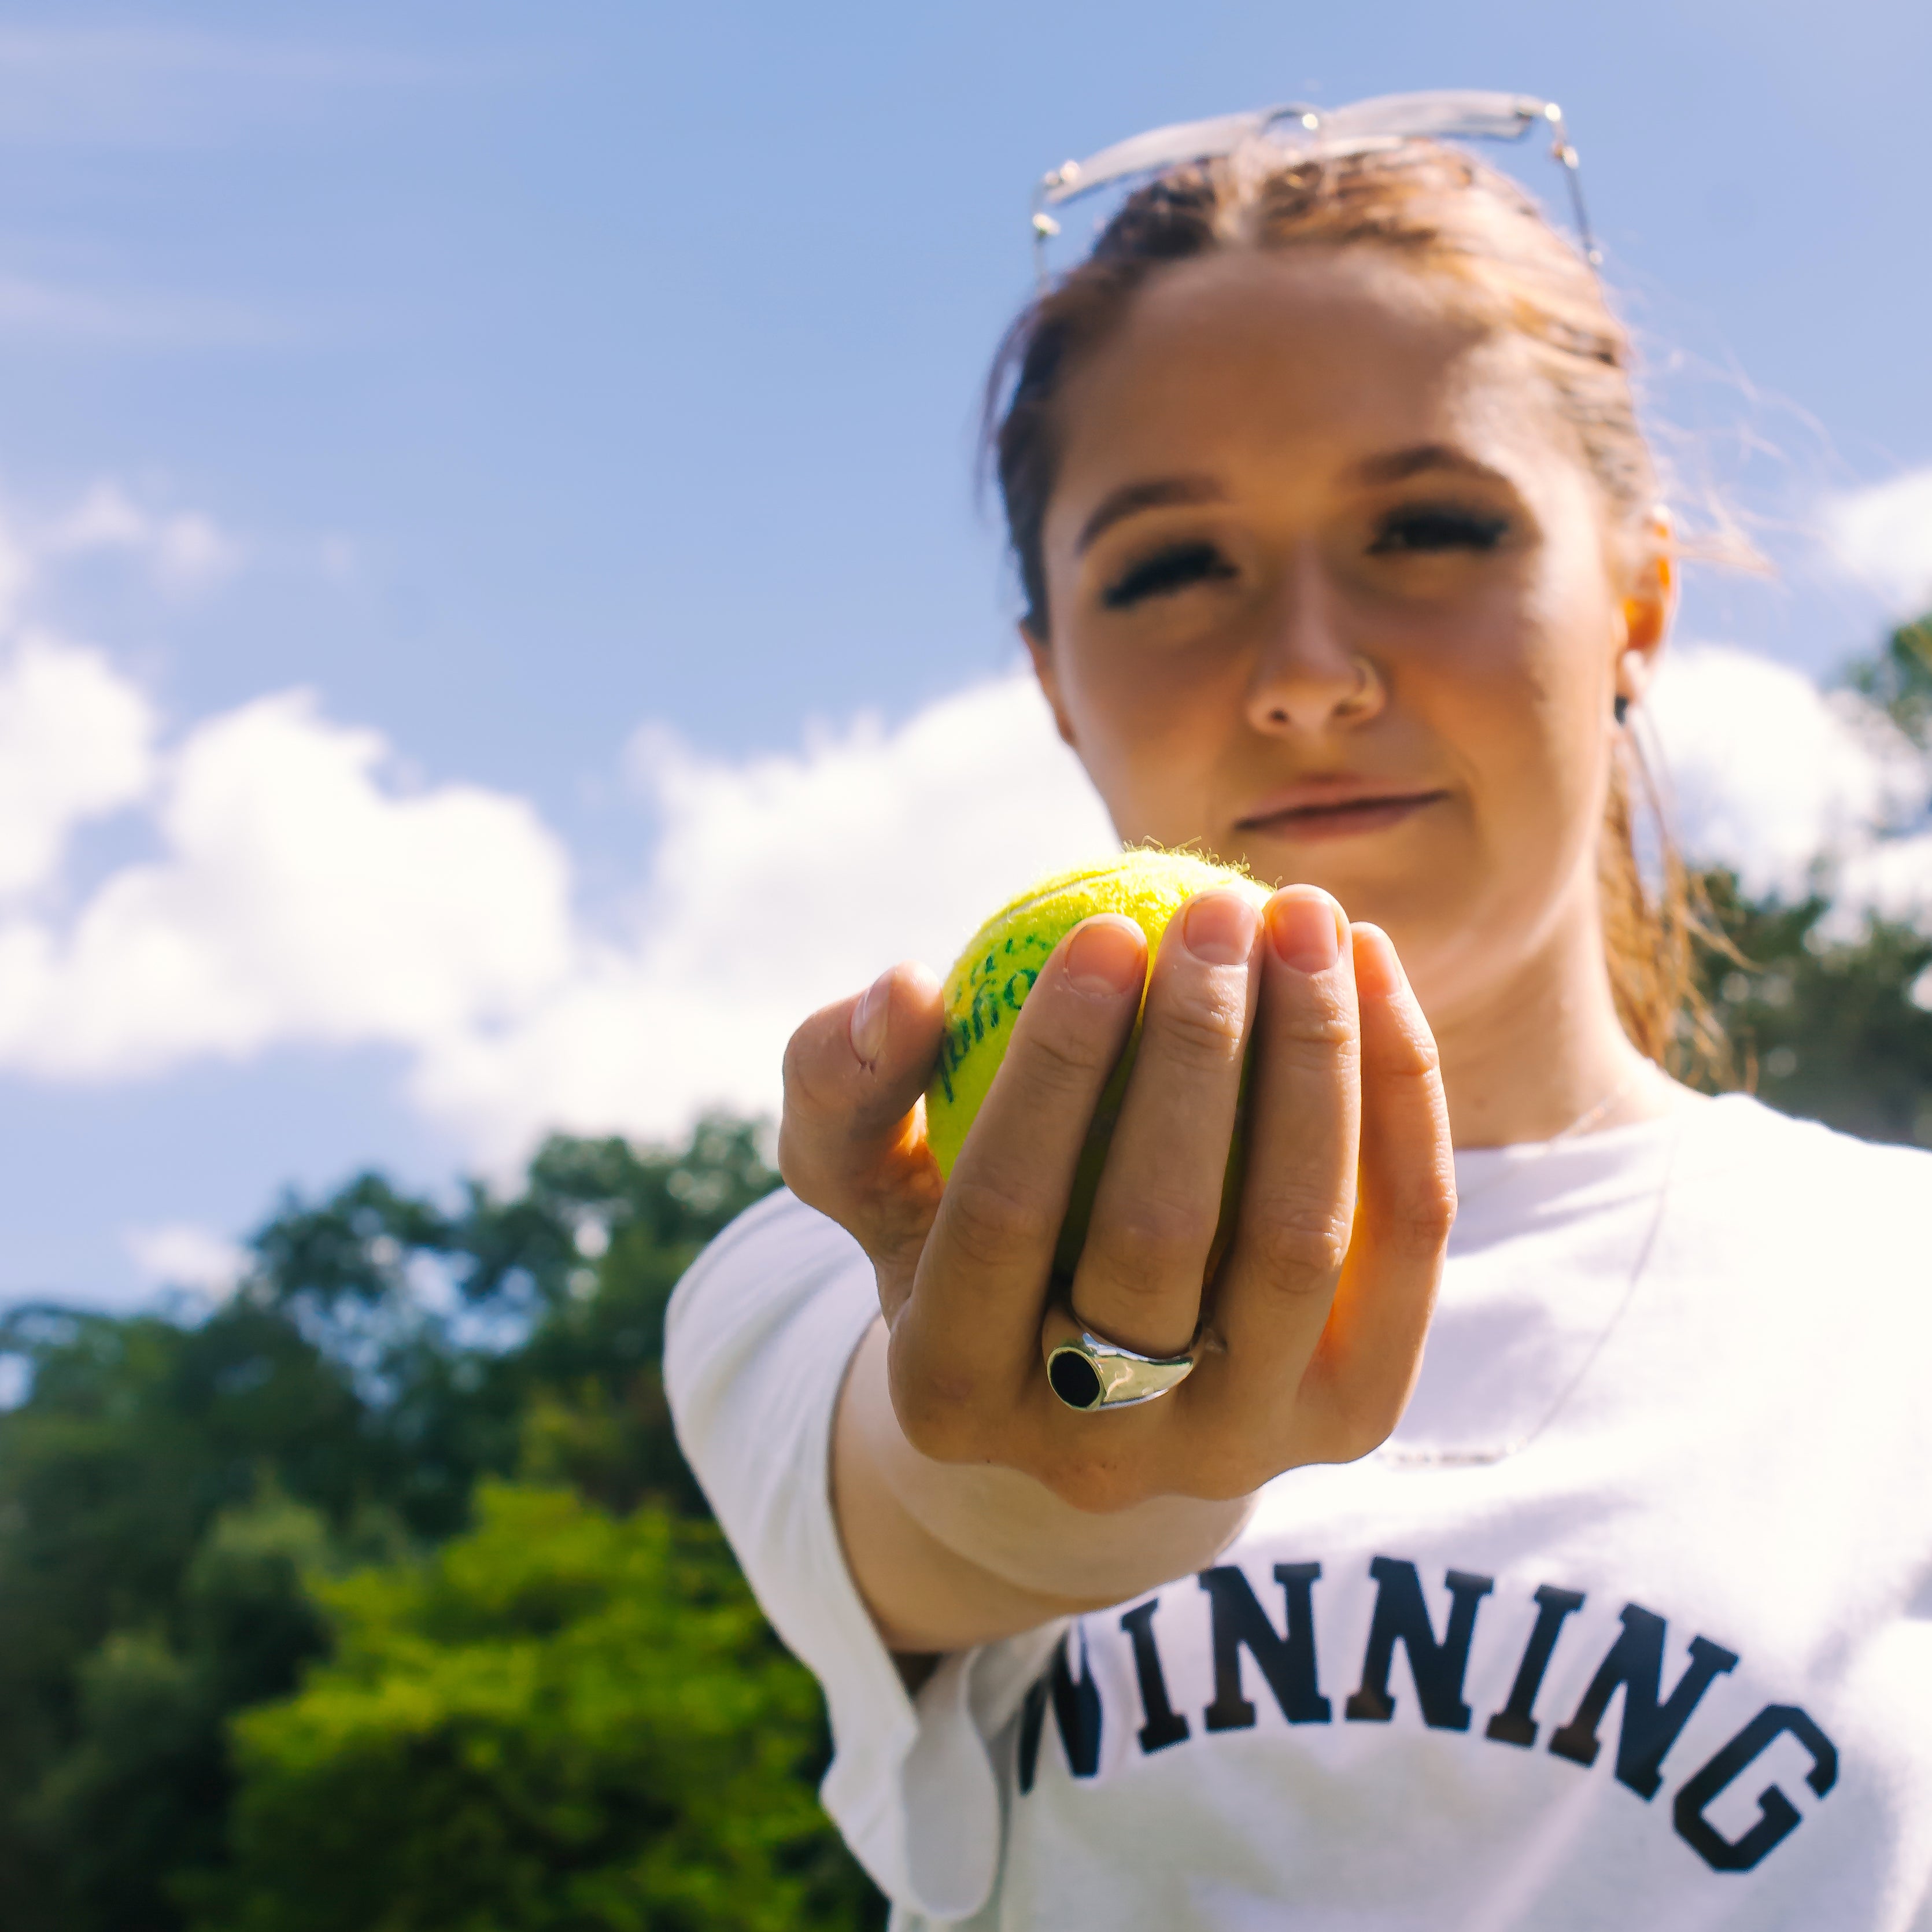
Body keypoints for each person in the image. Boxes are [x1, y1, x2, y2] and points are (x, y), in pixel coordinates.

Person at [665, 106, 1932, 1930]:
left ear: (1637, 599)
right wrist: (1094, 1413)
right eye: (1176, 567)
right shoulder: (856, 1245)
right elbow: (983, 1494)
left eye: (1430, 527)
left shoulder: (1908, 1293)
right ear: (1053, 682)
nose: (1311, 677)